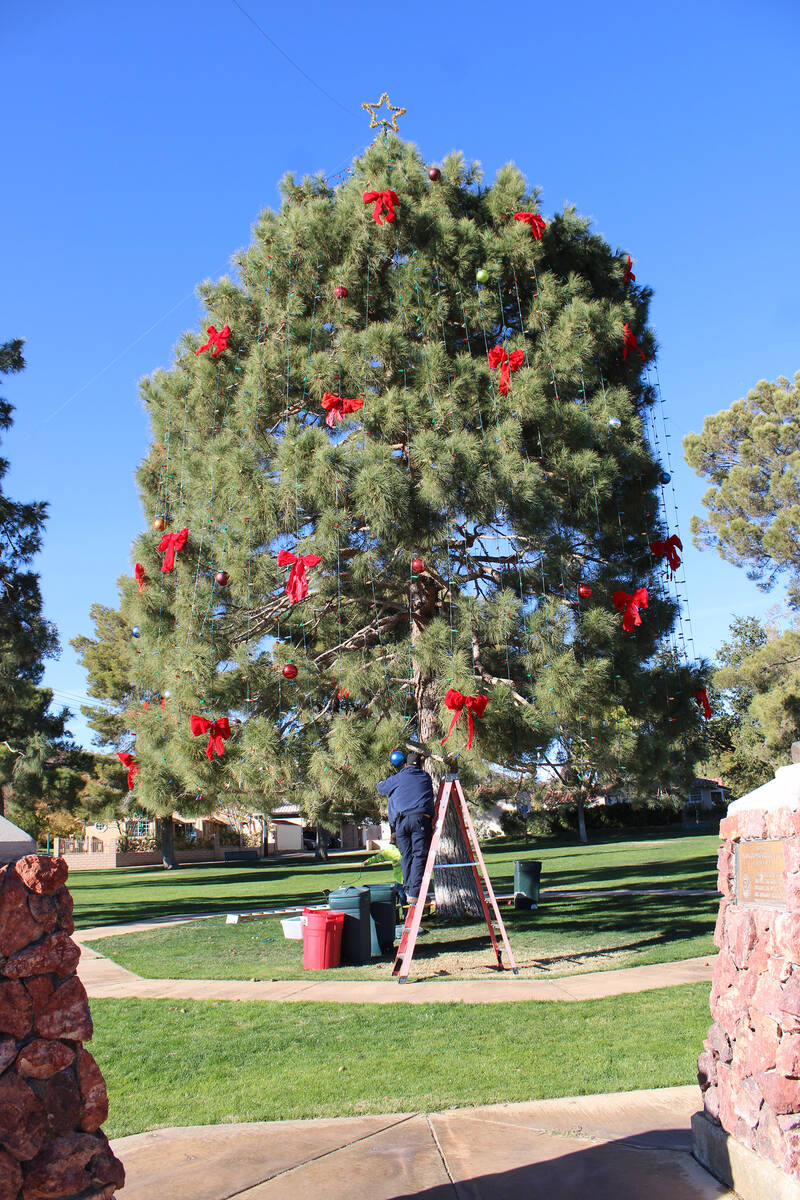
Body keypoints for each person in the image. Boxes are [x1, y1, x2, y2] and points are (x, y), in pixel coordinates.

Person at [376, 753, 435, 906]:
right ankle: (414, 893)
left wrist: (381, 782)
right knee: (419, 855)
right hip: (419, 819)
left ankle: (409, 890)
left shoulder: (398, 778)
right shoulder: (425, 777)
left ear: (405, 765)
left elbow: (382, 788)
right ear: (419, 765)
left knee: (406, 856)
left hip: (401, 822)